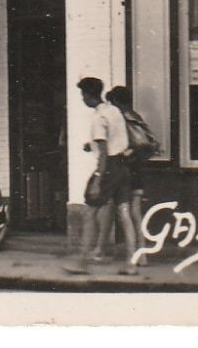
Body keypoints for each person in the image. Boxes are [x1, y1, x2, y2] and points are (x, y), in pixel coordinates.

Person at [65, 76, 139, 275]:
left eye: (83, 95)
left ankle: (81, 261)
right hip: (124, 167)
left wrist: (98, 179)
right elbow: (114, 139)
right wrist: (93, 145)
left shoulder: (98, 118)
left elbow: (105, 153)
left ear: (90, 95)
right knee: (124, 213)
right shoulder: (113, 110)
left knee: (89, 213)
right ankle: (132, 264)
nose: (82, 99)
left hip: (109, 168)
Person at [107, 85, 156, 265]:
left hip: (127, 169)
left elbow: (130, 144)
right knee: (135, 213)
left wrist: (124, 154)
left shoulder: (123, 119)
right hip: (138, 169)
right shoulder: (136, 117)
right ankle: (141, 254)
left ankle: (133, 255)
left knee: (125, 212)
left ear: (117, 102)